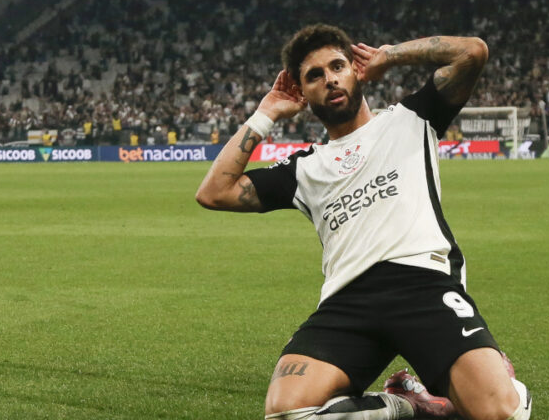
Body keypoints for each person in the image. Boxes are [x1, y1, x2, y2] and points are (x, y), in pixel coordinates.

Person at [196, 24, 531, 420]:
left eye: (337, 65)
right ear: (302, 93)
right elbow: (214, 191)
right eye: (314, 75)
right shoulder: (303, 168)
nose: (330, 79)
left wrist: (389, 55)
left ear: (355, 70)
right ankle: (408, 407)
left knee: (499, 414)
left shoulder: (411, 119)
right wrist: (266, 112)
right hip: (347, 301)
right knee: (286, 413)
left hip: (423, 285)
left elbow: (472, 52)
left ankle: (504, 387)